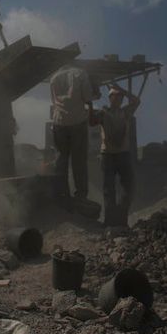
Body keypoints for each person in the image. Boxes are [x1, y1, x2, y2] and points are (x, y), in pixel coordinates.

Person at [90, 84, 140, 228]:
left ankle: (121, 219)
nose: (119, 99)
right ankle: (110, 222)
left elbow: (137, 101)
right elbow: (92, 122)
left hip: (123, 154)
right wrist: (90, 104)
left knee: (128, 188)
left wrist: (121, 88)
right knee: (109, 190)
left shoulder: (125, 112)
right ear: (110, 98)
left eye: (121, 97)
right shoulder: (103, 113)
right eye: (115, 96)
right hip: (108, 156)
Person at [49, 64, 95, 203]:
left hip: (59, 122)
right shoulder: (80, 73)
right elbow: (88, 97)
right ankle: (81, 195)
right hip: (77, 122)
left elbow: (54, 101)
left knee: (61, 160)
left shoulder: (53, 77)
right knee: (79, 160)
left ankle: (62, 193)